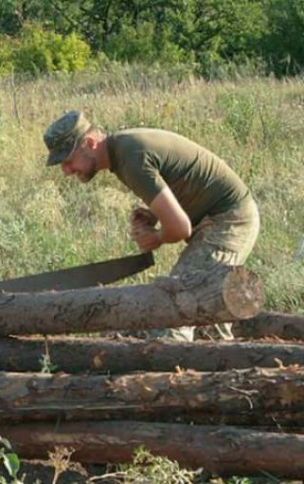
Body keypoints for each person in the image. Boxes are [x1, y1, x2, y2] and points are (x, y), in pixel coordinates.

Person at [43, 110, 260, 341]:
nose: (66, 171)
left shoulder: (131, 158)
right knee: (207, 312)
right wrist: (153, 215)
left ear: (89, 143)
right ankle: (219, 370)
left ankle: (176, 374)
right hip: (222, 217)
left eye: (68, 160)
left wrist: (157, 237)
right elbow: (182, 186)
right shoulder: (123, 149)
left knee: (180, 306)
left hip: (228, 221)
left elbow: (179, 228)